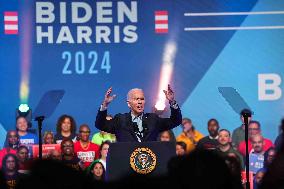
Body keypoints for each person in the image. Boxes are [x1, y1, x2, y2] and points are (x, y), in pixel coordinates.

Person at [95, 85, 182, 142]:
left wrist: (172, 102)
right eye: (136, 99)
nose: (140, 102)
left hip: (150, 165)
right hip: (126, 165)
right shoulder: (120, 120)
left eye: (142, 99)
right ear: (129, 103)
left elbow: (175, 121)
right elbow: (100, 124)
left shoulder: (153, 119)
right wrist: (105, 104)